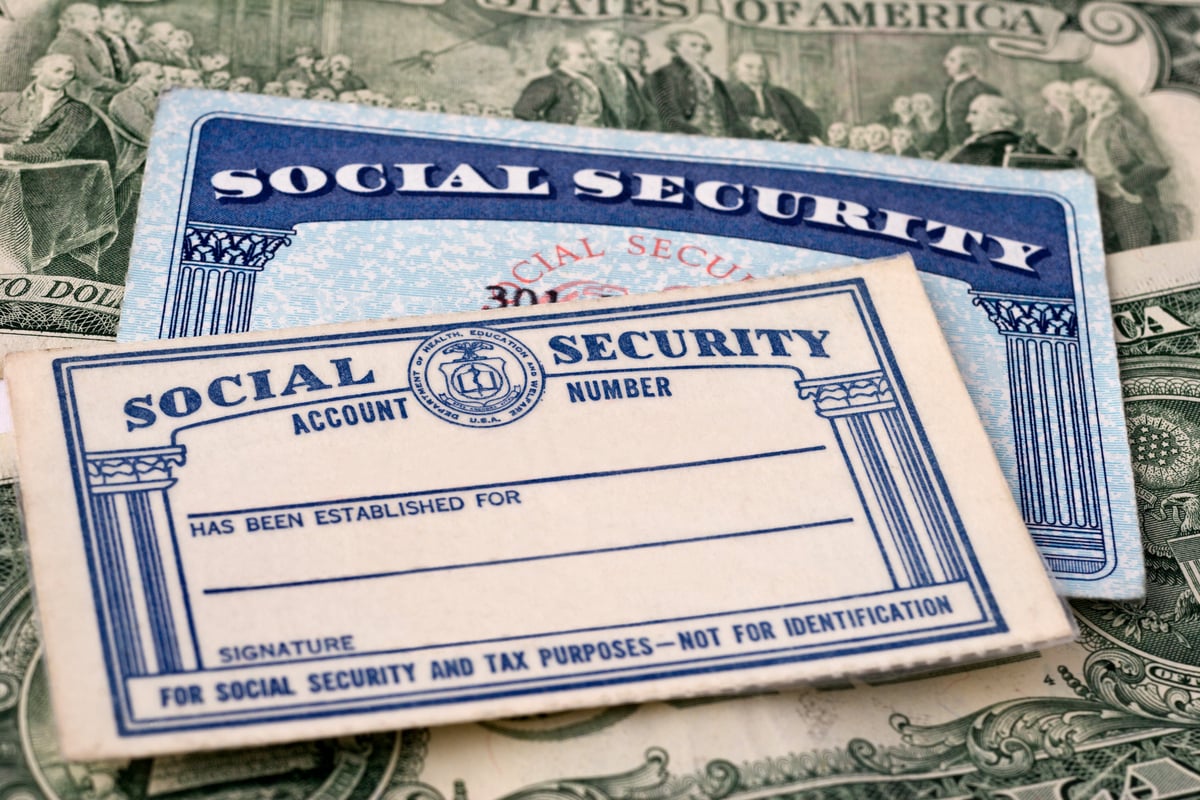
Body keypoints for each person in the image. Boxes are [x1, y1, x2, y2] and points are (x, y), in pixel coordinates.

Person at [1077, 82, 1170, 251]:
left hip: (1125, 197)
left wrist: (1127, 186)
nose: (1091, 100)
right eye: (1090, 96)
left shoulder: (1124, 127)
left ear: (1112, 102)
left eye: (1098, 97)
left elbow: (1158, 163)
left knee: (1135, 248)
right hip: (1100, 195)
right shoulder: (1090, 124)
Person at [0, 55, 112, 165]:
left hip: (45, 172)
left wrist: (5, 151)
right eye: (57, 70)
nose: (63, 77)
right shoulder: (5, 100)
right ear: (38, 71)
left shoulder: (77, 109)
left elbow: (55, 150)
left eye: (69, 73)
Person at [648, 30, 746, 137]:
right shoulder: (662, 75)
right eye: (693, 45)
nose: (701, 51)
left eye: (704, 47)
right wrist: (697, 135)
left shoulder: (715, 80)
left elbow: (733, 118)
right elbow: (668, 117)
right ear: (676, 47)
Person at [513, 39, 614, 127]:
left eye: (591, 57)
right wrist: (553, 132)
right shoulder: (548, 83)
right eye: (582, 56)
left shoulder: (589, 82)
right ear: (562, 58)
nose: (589, 62)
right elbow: (522, 111)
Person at [728, 51, 821, 143]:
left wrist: (808, 135)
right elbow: (727, 120)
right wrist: (754, 123)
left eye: (761, 68)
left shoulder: (780, 93)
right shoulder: (728, 93)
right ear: (736, 70)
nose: (757, 72)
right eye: (749, 67)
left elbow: (806, 117)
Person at [47, 3, 124, 105]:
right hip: (77, 102)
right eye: (94, 19)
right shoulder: (69, 43)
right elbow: (92, 80)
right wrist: (124, 88)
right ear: (79, 20)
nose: (99, 23)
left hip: (92, 98)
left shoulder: (90, 40)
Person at [584, 28, 655, 130]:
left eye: (618, 43)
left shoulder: (623, 71)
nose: (617, 47)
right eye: (610, 42)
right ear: (593, 46)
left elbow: (646, 111)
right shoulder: (589, 74)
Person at [934, 46, 998, 154]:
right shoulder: (950, 88)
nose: (945, 64)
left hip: (976, 150)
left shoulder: (981, 88)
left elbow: (993, 126)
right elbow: (945, 124)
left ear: (966, 63)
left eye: (952, 60)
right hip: (953, 150)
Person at [941, 94, 1027, 166]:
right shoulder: (1021, 144)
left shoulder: (980, 148)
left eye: (975, 113)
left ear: (993, 115)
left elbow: (946, 173)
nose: (968, 120)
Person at [1028, 79, 1086, 154]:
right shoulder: (1038, 115)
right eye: (1058, 93)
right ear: (1048, 95)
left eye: (1068, 95)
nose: (1063, 97)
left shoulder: (1077, 116)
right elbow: (1038, 141)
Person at [97, 3, 138, 83]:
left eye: (125, 19)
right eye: (116, 18)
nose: (122, 22)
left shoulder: (123, 41)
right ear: (101, 19)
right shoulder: (98, 41)